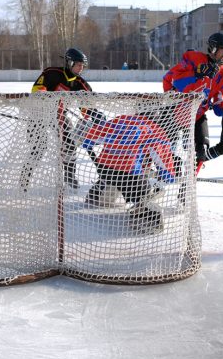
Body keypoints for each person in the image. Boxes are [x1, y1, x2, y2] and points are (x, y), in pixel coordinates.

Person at [81, 113, 179, 234]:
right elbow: (162, 160)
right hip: (130, 175)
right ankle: (148, 219)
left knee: (112, 178)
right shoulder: (153, 129)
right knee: (145, 194)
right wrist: (168, 176)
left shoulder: (119, 120)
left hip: (105, 169)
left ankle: (97, 196)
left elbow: (89, 140)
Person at [20, 48, 92, 190]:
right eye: (78, 64)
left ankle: (70, 176)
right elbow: (37, 90)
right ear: (69, 63)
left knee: (70, 144)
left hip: (60, 116)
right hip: (39, 114)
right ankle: (25, 177)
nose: (81, 68)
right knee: (39, 147)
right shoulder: (51, 73)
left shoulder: (81, 84)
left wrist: (90, 114)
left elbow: (86, 106)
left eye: (83, 66)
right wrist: (45, 96)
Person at [162, 33, 223, 172]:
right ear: (213, 49)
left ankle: (190, 183)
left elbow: (220, 106)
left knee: (203, 150)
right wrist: (197, 74)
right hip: (174, 113)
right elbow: (173, 80)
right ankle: (162, 176)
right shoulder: (193, 59)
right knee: (165, 151)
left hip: (197, 116)